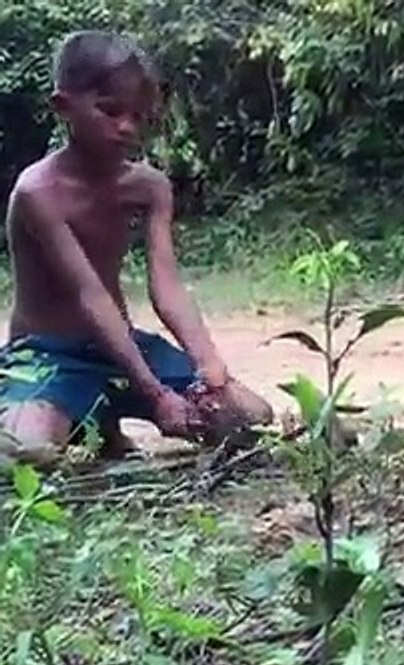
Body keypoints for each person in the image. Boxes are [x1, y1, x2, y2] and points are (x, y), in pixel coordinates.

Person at [1, 30, 274, 464]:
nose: (126, 127)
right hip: (47, 351)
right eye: (110, 111)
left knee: (250, 421)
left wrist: (209, 364)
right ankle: (86, 419)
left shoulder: (148, 186)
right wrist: (155, 393)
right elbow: (89, 294)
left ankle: (101, 416)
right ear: (63, 107)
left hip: (121, 345)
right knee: (25, 451)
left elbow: (165, 285)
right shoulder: (38, 193)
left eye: (140, 116)